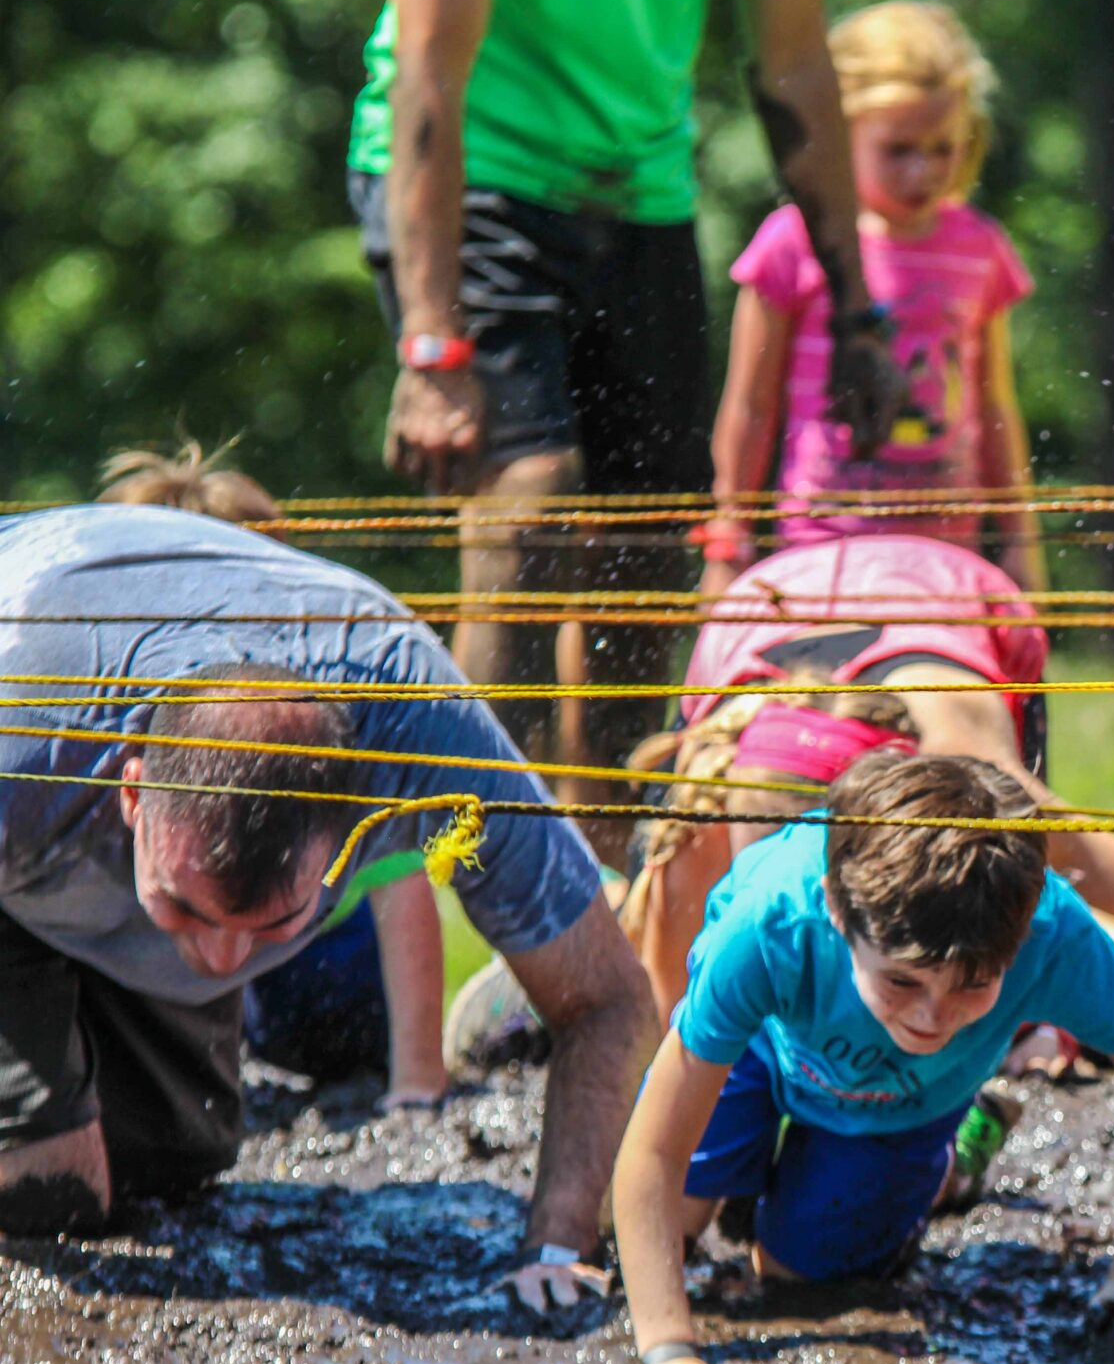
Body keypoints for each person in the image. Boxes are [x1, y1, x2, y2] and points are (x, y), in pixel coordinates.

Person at [0, 506, 656, 1313]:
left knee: (170, 1166)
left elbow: (608, 998)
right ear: (132, 792)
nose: (220, 962)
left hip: (75, 845)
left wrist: (557, 1242)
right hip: (25, 770)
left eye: (274, 925)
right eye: (185, 909)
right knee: (48, 1188)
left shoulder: (429, 744)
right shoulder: (24, 743)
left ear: (361, 830)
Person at [347, 0, 904, 810]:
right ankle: (491, 857)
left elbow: (794, 64)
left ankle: (615, 854)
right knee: (531, 500)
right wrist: (432, 343)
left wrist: (858, 310)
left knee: (645, 542)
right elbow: (429, 75)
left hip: (642, 193)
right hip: (472, 172)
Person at [612, 753, 1114, 1364]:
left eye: (973, 986)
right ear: (838, 915)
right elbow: (654, 1148)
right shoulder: (772, 925)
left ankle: (953, 1161)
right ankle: (768, 1165)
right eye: (902, 980)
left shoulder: (1053, 937)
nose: (930, 1015)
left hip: (906, 1099)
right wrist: (669, 1351)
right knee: (671, 1226)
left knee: (797, 1276)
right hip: (761, 1041)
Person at [615, 533, 1114, 1026]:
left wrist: (1052, 940)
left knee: (996, 916)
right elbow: (657, 1034)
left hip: (943, 594)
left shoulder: (976, 789)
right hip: (767, 602)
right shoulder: (703, 823)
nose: (801, 905)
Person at [96, 445, 450, 1110]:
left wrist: (416, 1083)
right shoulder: (116, 734)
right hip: (239, 1019)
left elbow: (401, 892)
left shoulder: (315, 729)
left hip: (338, 988)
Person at [702, 1, 1039, 592]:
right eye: (898, 149)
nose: (923, 171)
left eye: (943, 147)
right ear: (836, 133)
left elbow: (995, 409)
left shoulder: (979, 249)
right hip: (819, 555)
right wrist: (730, 536)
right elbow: (751, 407)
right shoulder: (792, 244)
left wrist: (1018, 540)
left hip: (944, 558)